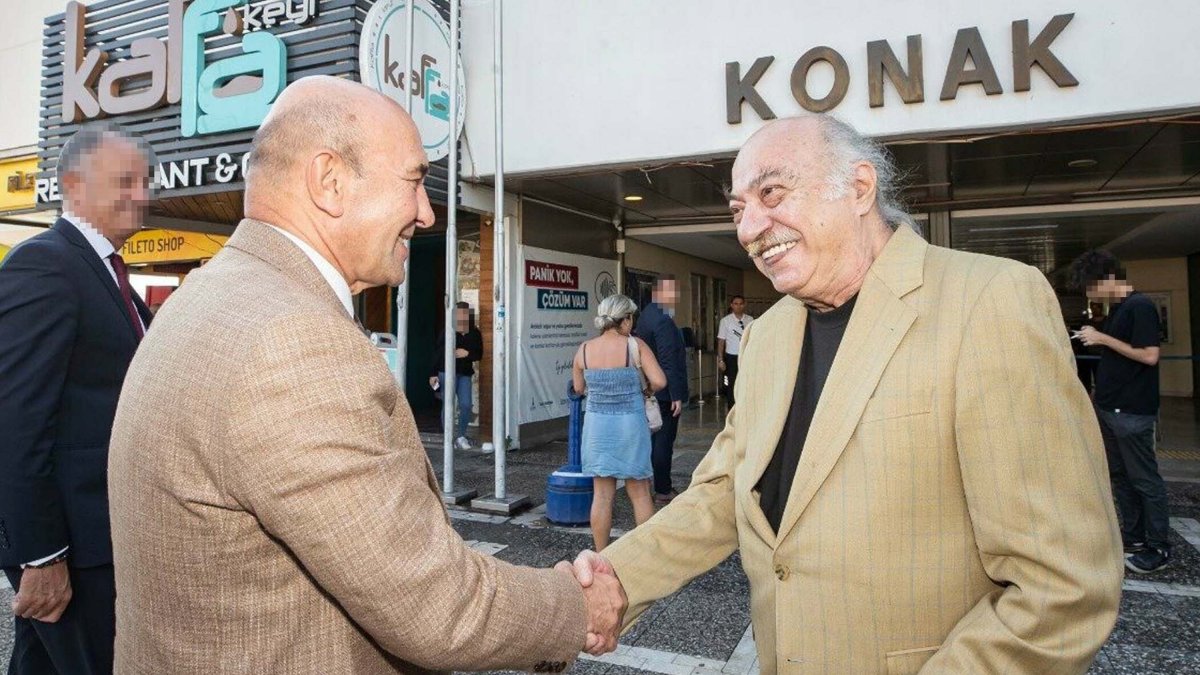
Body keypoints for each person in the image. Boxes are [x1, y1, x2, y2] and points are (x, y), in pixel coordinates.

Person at [567, 115, 1123, 673]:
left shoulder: (990, 301)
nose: (749, 227)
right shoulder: (769, 334)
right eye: (739, 209)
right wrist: (612, 582)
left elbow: (1061, 588)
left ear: (859, 188)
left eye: (772, 193)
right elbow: (725, 490)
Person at [107, 76, 625, 674]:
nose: (426, 214)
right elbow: (432, 606)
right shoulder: (290, 341)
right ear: (329, 182)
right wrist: (571, 606)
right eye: (413, 181)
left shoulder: (208, 297)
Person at [0, 123, 153, 675]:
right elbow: (15, 422)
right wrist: (40, 555)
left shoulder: (113, 277)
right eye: (124, 181)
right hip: (75, 548)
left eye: (146, 181)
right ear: (74, 185)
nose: (142, 195)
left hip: (102, 539)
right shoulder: (44, 263)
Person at [1071, 250, 1170, 573]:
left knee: (1144, 479)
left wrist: (1101, 338)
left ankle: (1158, 547)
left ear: (1108, 279)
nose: (1091, 295)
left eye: (1091, 287)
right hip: (1111, 408)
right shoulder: (1120, 309)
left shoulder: (1139, 307)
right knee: (1120, 476)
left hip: (1131, 410)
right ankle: (1134, 538)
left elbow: (1149, 355)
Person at [572, 294, 667, 551]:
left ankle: (601, 554)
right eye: (631, 318)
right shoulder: (635, 345)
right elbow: (659, 381)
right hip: (629, 427)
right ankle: (645, 555)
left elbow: (579, 389)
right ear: (625, 320)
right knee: (639, 493)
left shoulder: (584, 349)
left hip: (597, 428)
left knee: (602, 496)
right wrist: (644, 391)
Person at [635, 276, 688, 504]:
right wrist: (675, 394)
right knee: (664, 441)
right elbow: (668, 359)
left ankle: (651, 484)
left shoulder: (646, 315)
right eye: (671, 291)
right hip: (664, 391)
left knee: (655, 440)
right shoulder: (663, 319)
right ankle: (664, 489)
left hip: (650, 387)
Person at [429, 301, 483, 451]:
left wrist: (467, 353)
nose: (461, 317)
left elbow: (479, 354)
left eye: (464, 314)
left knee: (466, 404)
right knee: (448, 404)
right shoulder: (448, 330)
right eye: (459, 314)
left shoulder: (474, 333)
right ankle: (448, 438)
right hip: (446, 371)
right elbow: (438, 353)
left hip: (465, 373)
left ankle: (460, 436)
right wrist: (432, 373)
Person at [716, 294, 753, 408]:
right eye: (736, 304)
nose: (738, 306)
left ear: (744, 305)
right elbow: (721, 341)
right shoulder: (725, 321)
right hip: (731, 357)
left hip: (746, 356)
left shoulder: (750, 320)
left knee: (746, 382)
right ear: (731, 305)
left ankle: (744, 406)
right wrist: (721, 359)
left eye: (741, 304)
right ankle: (732, 407)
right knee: (731, 383)